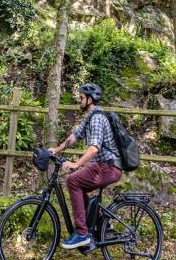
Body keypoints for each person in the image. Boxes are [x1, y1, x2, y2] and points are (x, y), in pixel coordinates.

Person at [49, 83, 122, 249]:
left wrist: (75, 164)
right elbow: (74, 136)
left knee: (73, 181)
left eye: (82, 98)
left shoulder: (97, 119)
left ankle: (82, 233)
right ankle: (101, 221)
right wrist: (56, 150)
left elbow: (94, 148)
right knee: (76, 182)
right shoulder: (90, 117)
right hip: (101, 165)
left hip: (108, 167)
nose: (80, 101)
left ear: (90, 99)